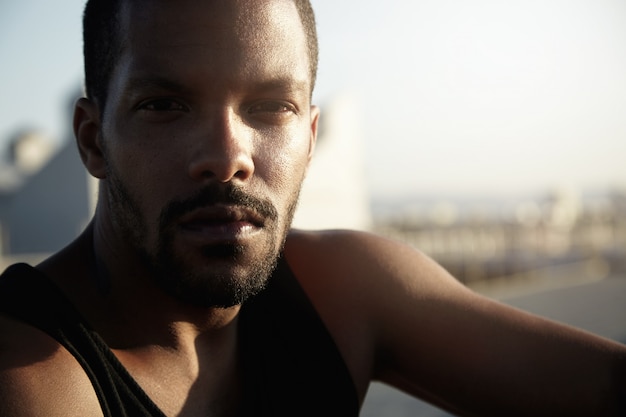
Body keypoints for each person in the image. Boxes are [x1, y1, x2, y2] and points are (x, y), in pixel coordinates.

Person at [0, 0, 624, 415]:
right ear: (93, 138)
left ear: (311, 138)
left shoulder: (343, 290)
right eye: (164, 105)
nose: (227, 156)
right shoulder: (31, 377)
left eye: (272, 106)